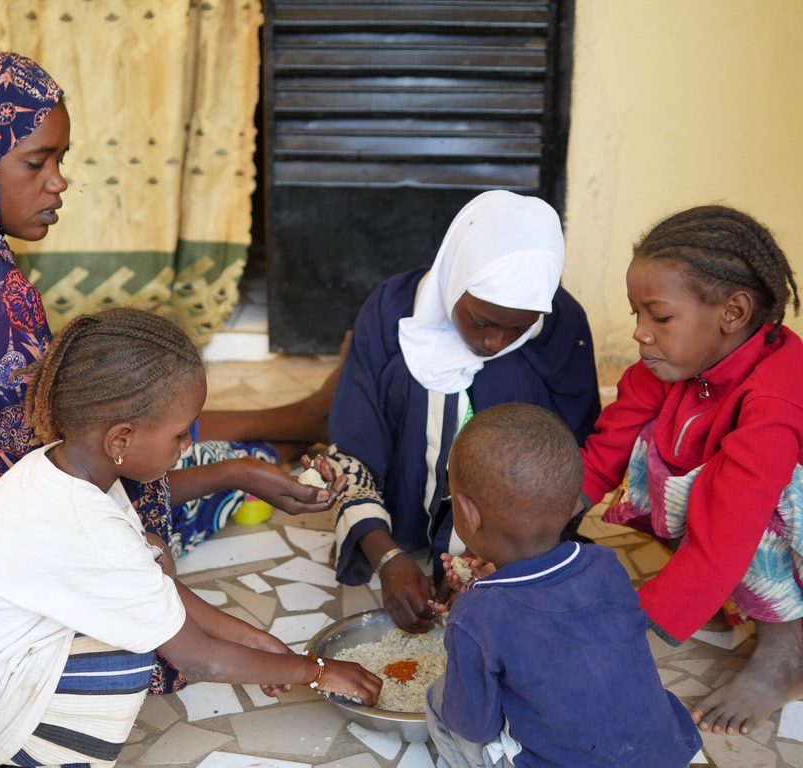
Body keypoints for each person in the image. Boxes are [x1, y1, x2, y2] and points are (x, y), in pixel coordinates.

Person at [0, 50, 339, 681]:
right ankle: (289, 424)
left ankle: (284, 427)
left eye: (60, 160)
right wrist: (225, 482)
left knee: (158, 430)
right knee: (156, 486)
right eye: (35, 161)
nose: (57, 182)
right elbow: (82, 481)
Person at [0, 307, 382, 768]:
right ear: (120, 441)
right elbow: (200, 659)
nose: (186, 447)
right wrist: (315, 671)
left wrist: (261, 645)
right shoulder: (85, 526)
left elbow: (153, 587)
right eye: (181, 434)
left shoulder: (59, 471)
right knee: (129, 656)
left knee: (151, 567)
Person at [327, 190, 601, 632]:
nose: (495, 342)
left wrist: (490, 559)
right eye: (480, 320)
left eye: (519, 327)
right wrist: (387, 555)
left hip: (510, 535)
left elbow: (574, 453)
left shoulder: (562, 324)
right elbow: (354, 443)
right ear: (455, 280)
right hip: (402, 515)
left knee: (516, 389)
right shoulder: (392, 309)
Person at [580, 205, 803, 736]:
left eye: (659, 316)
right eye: (636, 315)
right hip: (734, 514)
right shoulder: (677, 363)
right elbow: (607, 445)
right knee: (652, 448)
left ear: (733, 312)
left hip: (780, 521)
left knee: (746, 508)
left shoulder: (774, 401)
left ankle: (785, 655)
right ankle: (713, 594)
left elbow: (727, 534)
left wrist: (635, 626)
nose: (640, 334)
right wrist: (538, 525)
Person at [425, 403, 701, 768]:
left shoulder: (476, 616)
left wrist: (474, 605)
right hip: (661, 755)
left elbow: (475, 726)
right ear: (573, 503)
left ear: (468, 514)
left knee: (438, 697)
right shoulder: (606, 564)